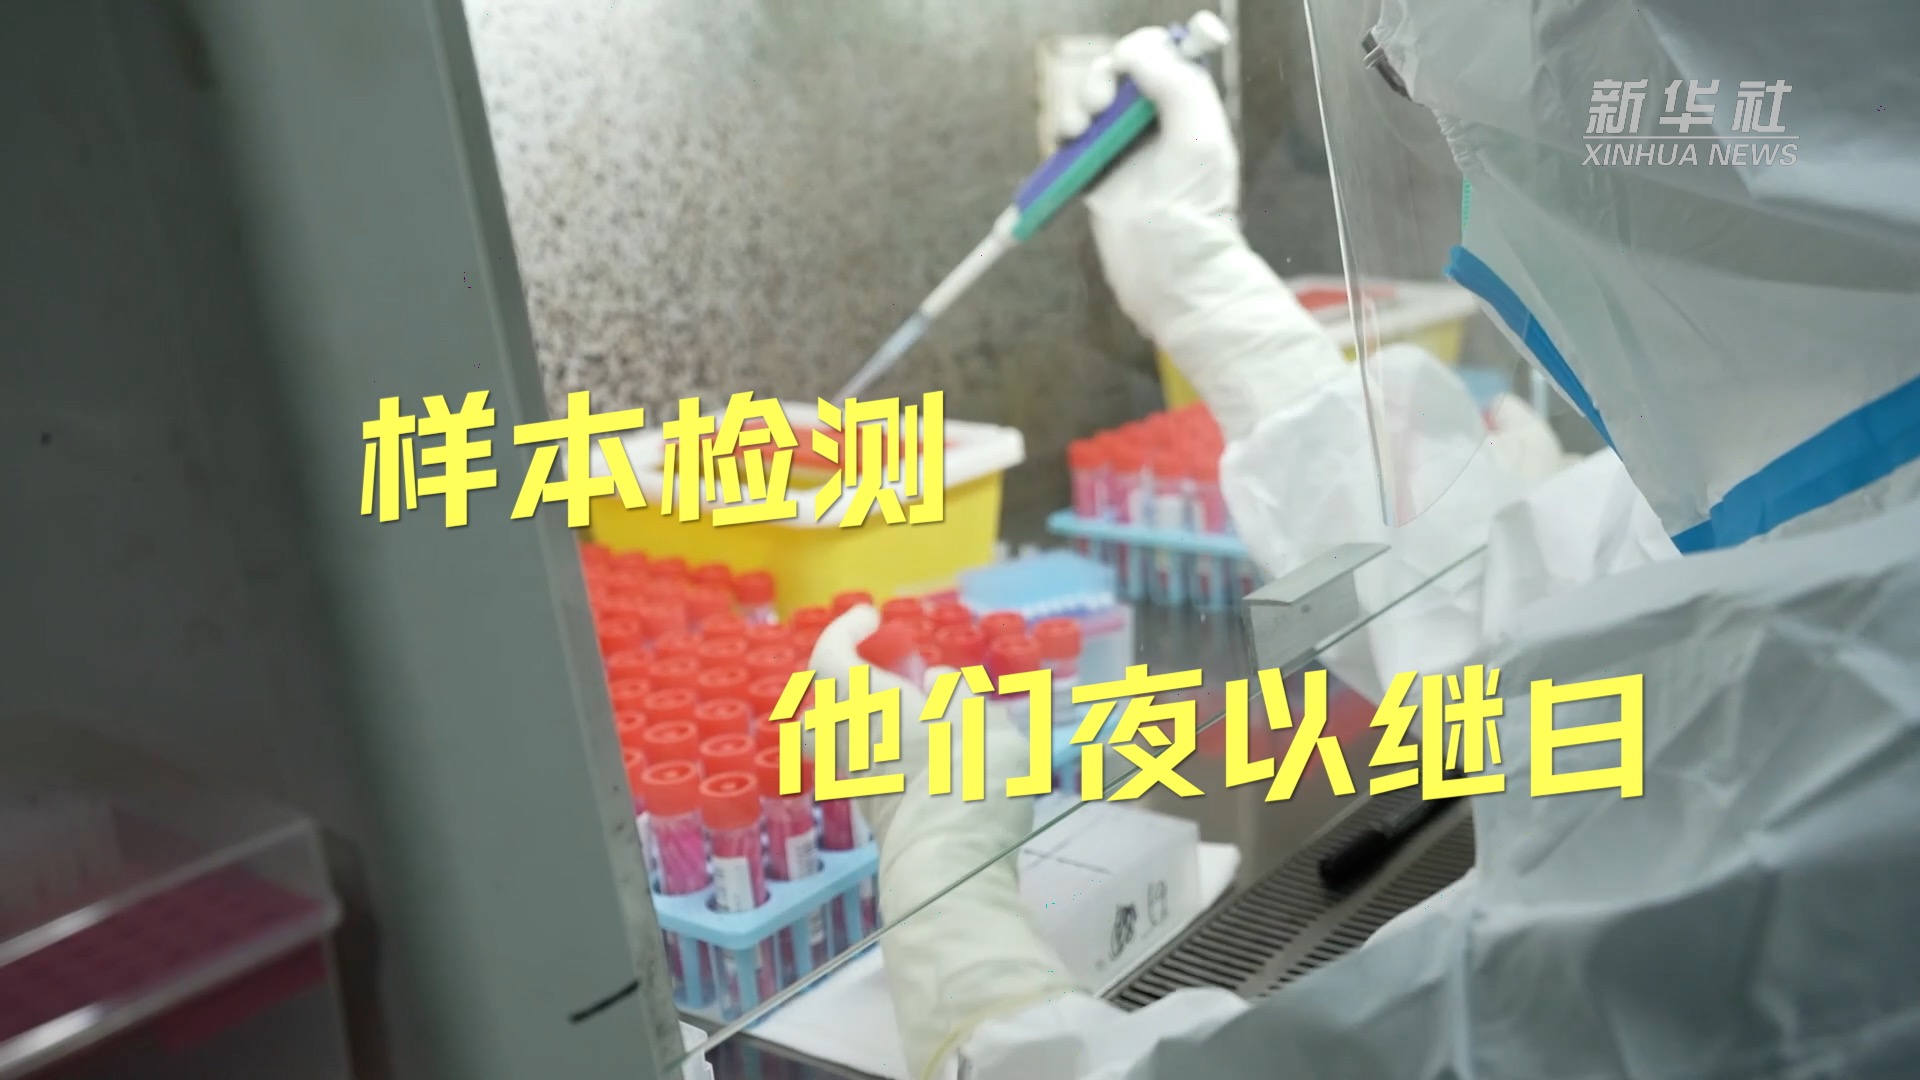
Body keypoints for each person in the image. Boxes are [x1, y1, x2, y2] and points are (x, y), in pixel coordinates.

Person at [810, 4, 1920, 1078]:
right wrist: (1204, 284)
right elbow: (1526, 611)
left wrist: (961, 946)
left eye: (1493, 115)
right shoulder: (1853, 497)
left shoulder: (1858, 761)